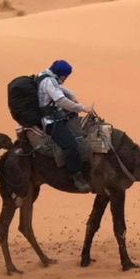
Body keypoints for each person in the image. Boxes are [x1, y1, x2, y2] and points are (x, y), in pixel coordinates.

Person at [38, 60, 93, 192]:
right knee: (70, 144)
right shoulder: (48, 81)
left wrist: (72, 95)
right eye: (65, 76)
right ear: (60, 73)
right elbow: (61, 100)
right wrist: (81, 108)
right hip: (51, 121)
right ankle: (76, 175)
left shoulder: (47, 76)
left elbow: (60, 89)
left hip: (59, 116)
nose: (65, 78)